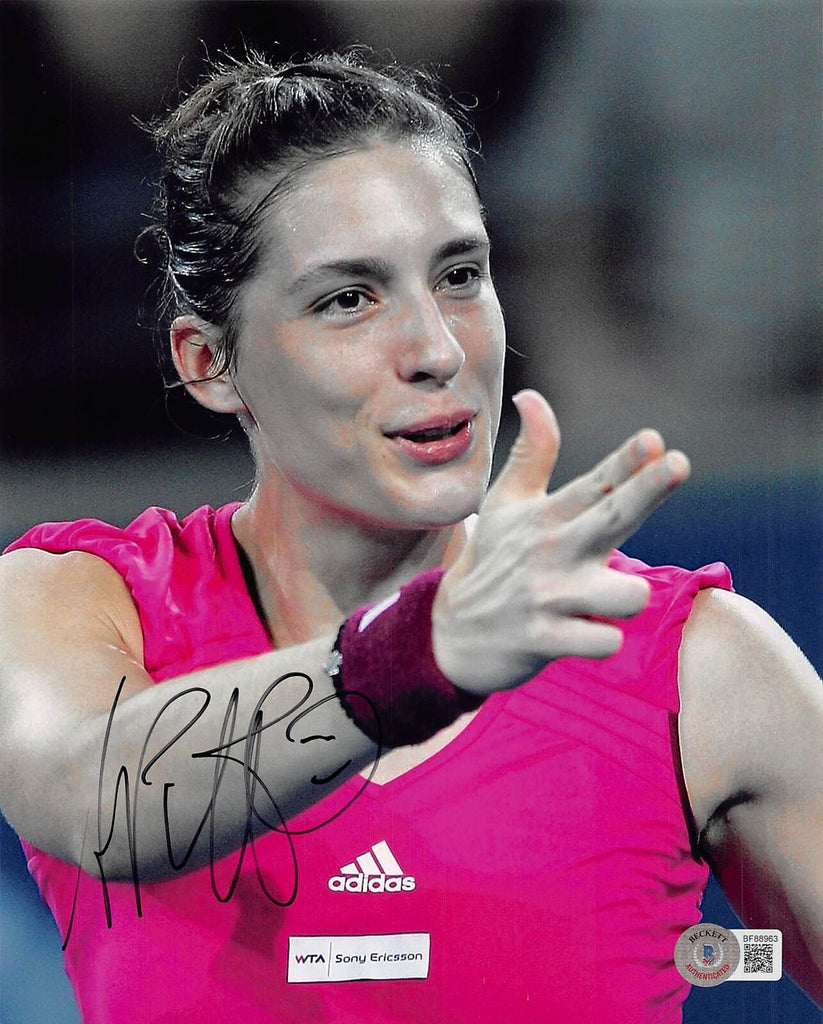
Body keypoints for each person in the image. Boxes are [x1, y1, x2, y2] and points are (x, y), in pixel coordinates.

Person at [0, 51, 820, 1024]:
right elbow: (99, 800)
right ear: (210, 362)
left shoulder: (698, 668)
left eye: (460, 275)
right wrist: (413, 652)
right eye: (348, 298)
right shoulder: (76, 600)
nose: (437, 349)